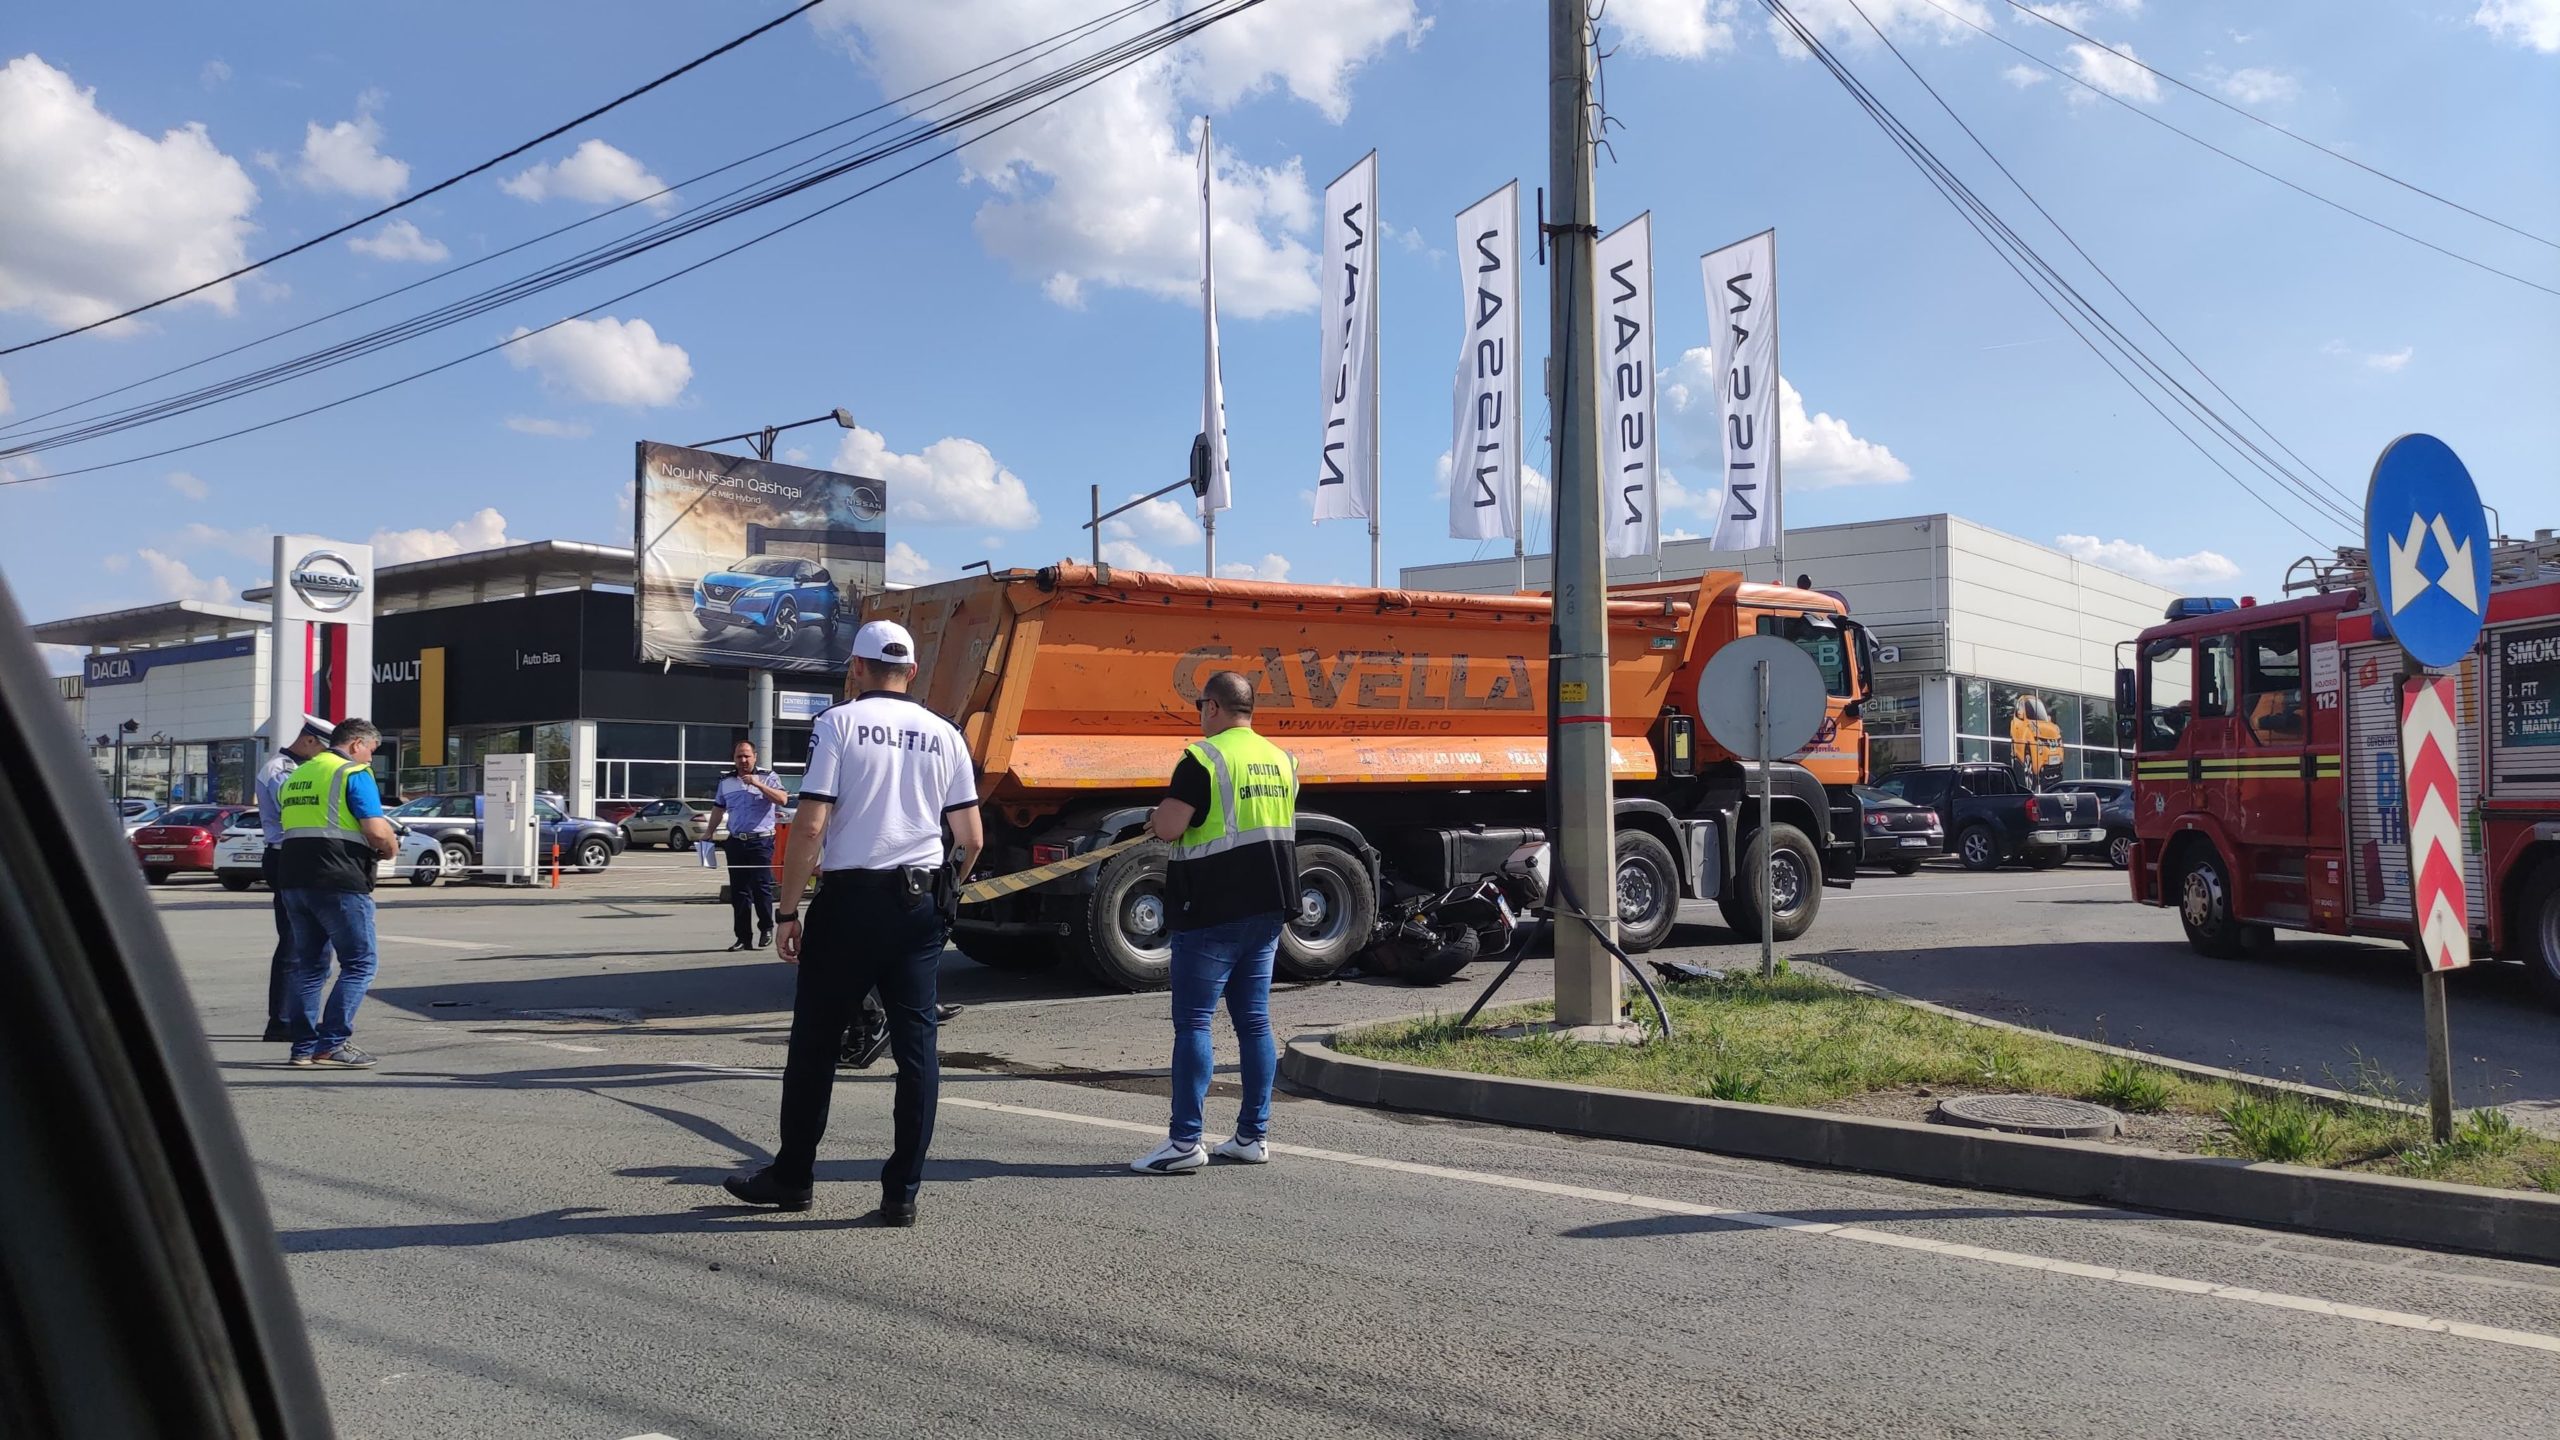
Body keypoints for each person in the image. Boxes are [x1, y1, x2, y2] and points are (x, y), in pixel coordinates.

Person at [725, 621, 981, 1223]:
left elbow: (811, 825)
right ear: (911, 673)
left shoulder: (837, 723)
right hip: (918, 904)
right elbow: (970, 838)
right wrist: (944, 903)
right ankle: (902, 1193)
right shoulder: (946, 733)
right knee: (917, 1049)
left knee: (815, 1043)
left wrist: (787, 911)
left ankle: (793, 1178)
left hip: (849, 901)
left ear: (856, 670)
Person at [1131, 669, 1298, 1175]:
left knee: (1195, 1023)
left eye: (1200, 705)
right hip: (1268, 906)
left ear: (1212, 708)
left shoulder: (1202, 758)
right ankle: (1253, 1135)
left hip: (1211, 908)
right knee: (1253, 1022)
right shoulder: (1282, 759)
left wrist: (1156, 822)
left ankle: (1185, 1143)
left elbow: (1170, 825)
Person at [274, 718, 399, 1069]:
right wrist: (390, 848)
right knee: (360, 963)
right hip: (339, 879)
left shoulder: (298, 774)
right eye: (371, 752)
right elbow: (375, 829)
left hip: (294, 879)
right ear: (357, 743)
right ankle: (332, 1043)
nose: (371, 760)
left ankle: (302, 1047)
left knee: (310, 967)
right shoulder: (352, 773)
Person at [255, 713, 335, 1044]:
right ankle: (282, 1020)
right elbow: (294, 810)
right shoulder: (281, 770)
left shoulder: (299, 768)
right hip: (284, 853)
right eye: (323, 749)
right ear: (310, 741)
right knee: (292, 940)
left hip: (296, 854)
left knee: (305, 939)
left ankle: (294, 1016)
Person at [706, 739, 788, 951]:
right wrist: (708, 832)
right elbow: (718, 808)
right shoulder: (726, 781)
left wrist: (757, 784)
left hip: (760, 841)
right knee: (739, 891)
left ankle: (766, 928)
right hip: (736, 841)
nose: (743, 760)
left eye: (746, 756)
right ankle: (743, 937)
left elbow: (782, 799)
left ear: (755, 757)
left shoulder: (768, 777)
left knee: (761, 887)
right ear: (733, 759)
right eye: (738, 756)